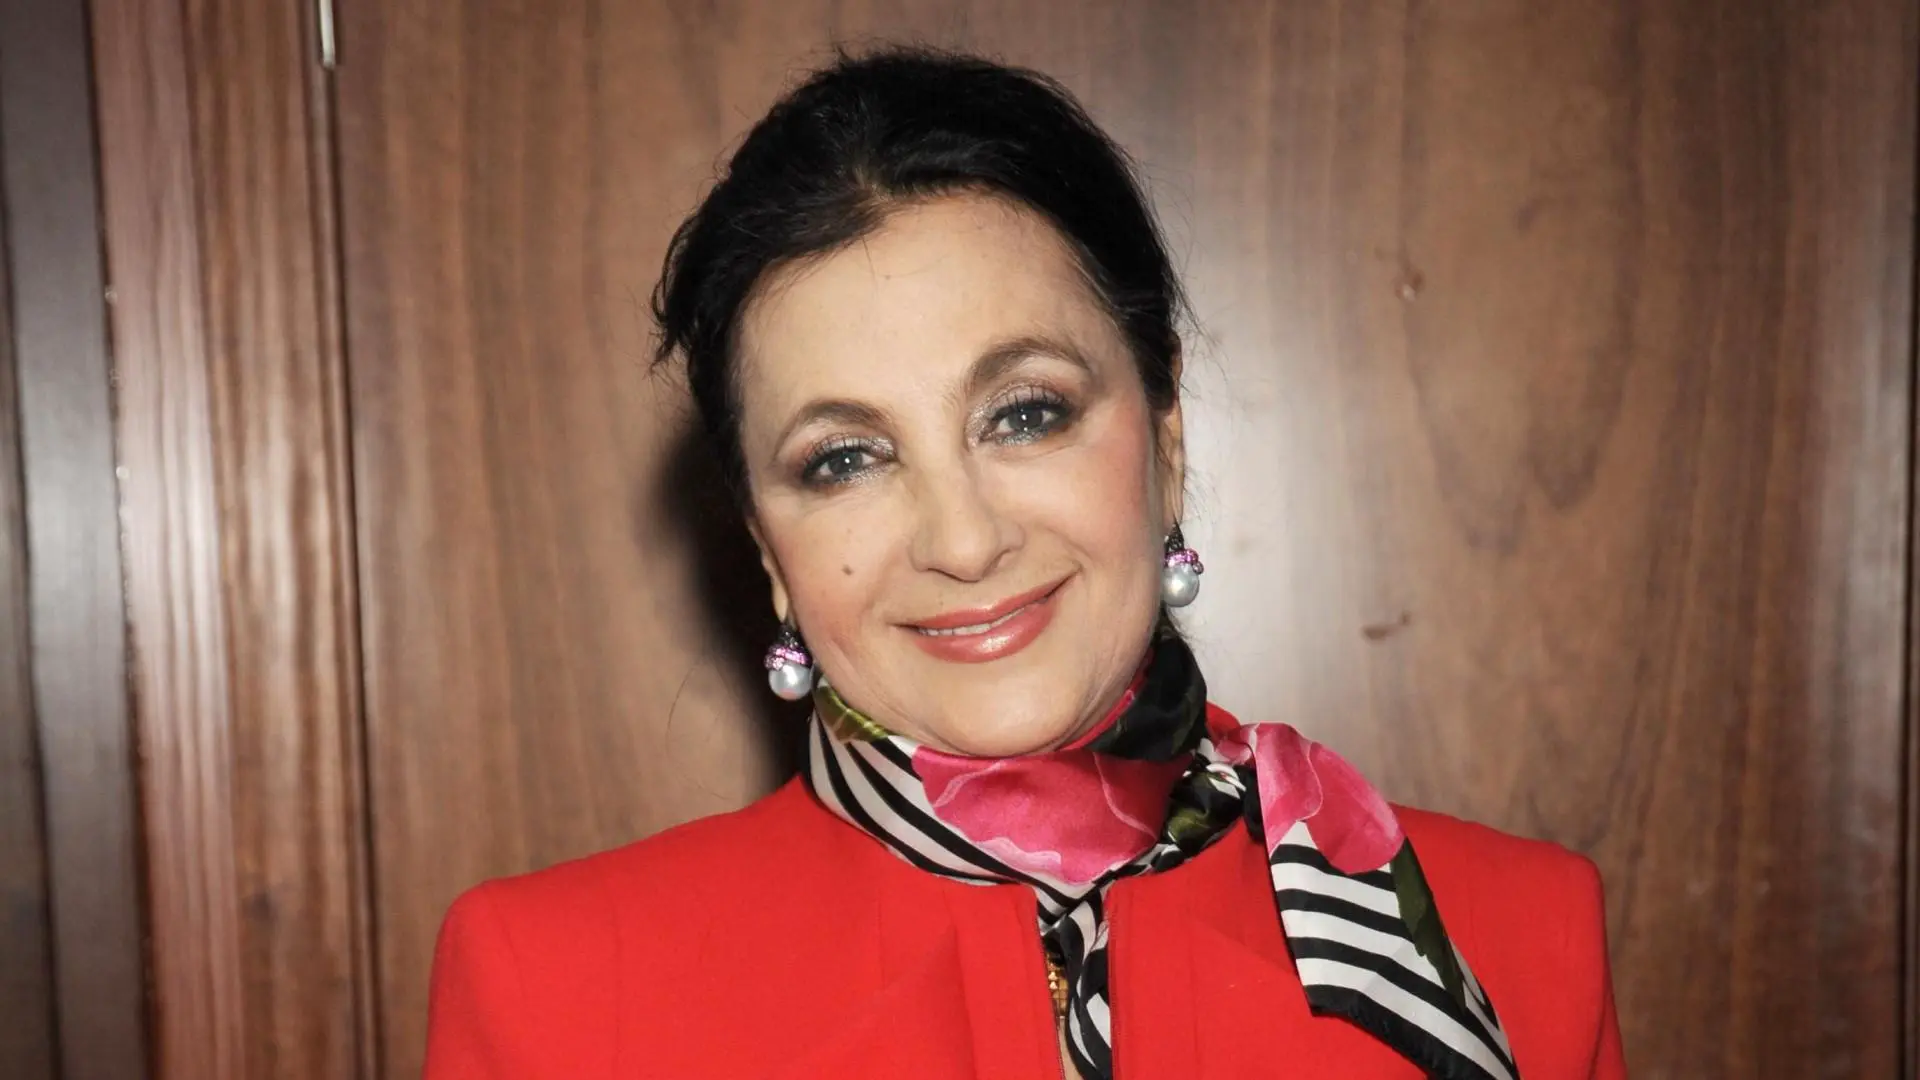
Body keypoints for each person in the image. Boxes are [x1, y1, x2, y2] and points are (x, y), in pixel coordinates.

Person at [423, 47, 1625, 1080]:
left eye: (1025, 414)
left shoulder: (1512, 941)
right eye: (845, 459)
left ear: (1165, 436)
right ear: (767, 549)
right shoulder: (556, 995)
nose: (963, 540)